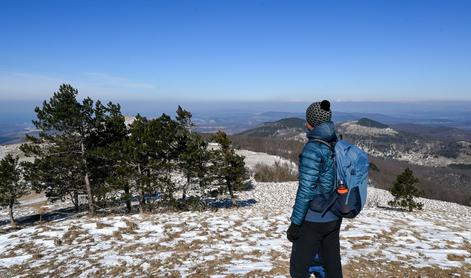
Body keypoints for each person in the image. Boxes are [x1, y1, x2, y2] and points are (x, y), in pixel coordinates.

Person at [287, 100, 343, 278]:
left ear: (311, 123)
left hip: (314, 219)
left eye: (307, 120)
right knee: (332, 265)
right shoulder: (336, 141)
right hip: (334, 215)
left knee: (298, 268)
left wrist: (295, 224)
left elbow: (306, 190)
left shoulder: (313, 148)